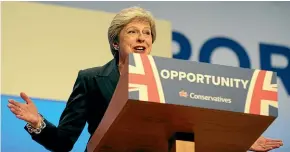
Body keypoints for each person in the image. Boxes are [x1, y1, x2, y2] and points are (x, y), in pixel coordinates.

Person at [7, 6, 283, 152]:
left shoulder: (169, 80)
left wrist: (238, 142)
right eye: (133, 32)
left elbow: (186, 131)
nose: (142, 38)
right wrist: (38, 123)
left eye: (147, 33)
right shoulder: (91, 79)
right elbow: (63, 142)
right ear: (116, 42)